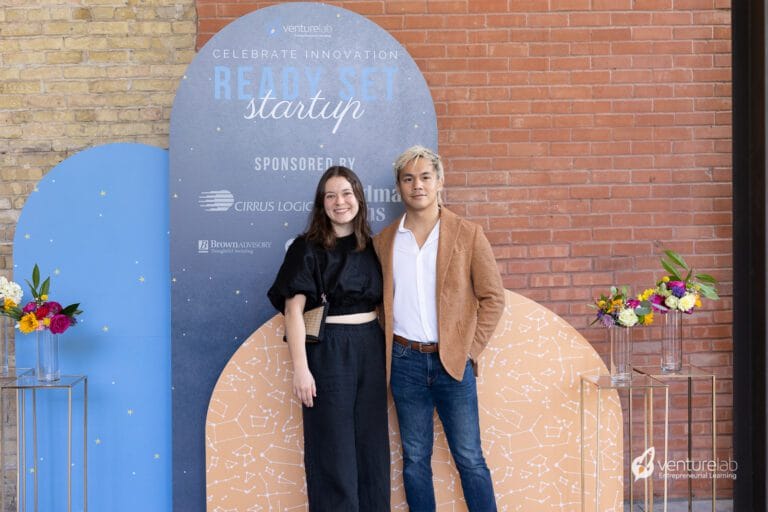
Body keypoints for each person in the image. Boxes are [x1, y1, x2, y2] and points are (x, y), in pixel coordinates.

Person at [373, 146, 505, 512]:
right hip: (404, 363)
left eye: (425, 177)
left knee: (470, 458)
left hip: (453, 364)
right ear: (399, 187)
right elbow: (379, 304)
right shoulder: (383, 242)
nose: (417, 185)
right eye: (408, 179)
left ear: (440, 181)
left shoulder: (468, 234)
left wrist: (470, 350)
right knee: (415, 459)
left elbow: (493, 297)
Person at [267, 166, 390, 512]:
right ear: (322, 204)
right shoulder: (306, 248)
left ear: (359, 198)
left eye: (347, 193)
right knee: (332, 447)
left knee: (372, 446)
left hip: (371, 346)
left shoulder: (374, 246)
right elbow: (293, 311)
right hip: (329, 349)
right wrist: (301, 369)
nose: (340, 202)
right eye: (331, 196)